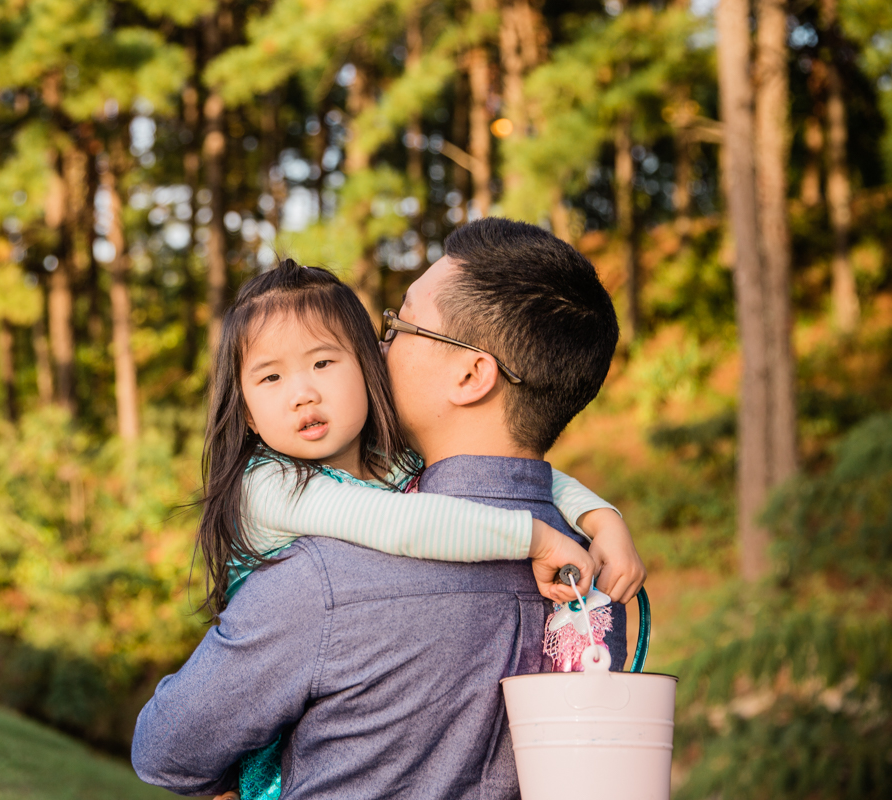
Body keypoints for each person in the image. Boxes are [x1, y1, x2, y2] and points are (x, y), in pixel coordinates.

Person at [132, 219, 645, 799]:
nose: (379, 346)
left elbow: (165, 752)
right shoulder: (596, 587)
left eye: (400, 325)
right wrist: (600, 520)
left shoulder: (319, 579)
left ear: (472, 374)